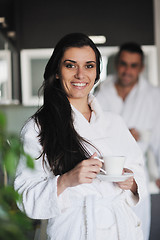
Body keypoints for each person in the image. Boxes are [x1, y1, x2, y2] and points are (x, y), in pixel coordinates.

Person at [14, 33, 146, 240]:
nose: (80, 74)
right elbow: (25, 198)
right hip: (74, 230)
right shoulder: (38, 127)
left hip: (122, 230)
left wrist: (132, 183)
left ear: (97, 73)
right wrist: (66, 180)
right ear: (57, 71)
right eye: (70, 65)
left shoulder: (115, 123)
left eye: (89, 66)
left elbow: (138, 171)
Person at [95, 42, 160, 240]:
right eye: (124, 64)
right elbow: (91, 131)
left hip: (135, 177)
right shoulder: (101, 92)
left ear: (141, 68)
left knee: (136, 232)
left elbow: (158, 137)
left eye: (133, 65)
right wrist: (122, 134)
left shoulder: (153, 96)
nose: (127, 70)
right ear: (116, 64)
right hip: (103, 176)